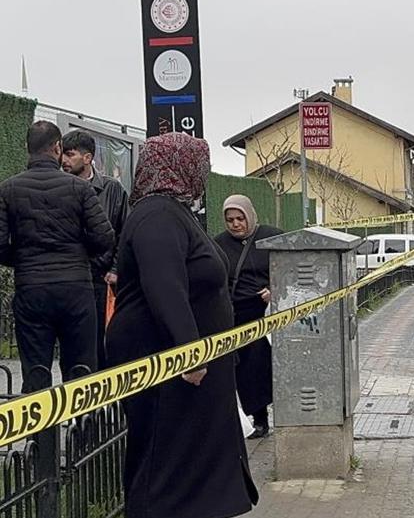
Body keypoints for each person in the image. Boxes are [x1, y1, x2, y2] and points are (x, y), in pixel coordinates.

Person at [104, 133, 257, 518]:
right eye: (200, 167)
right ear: (180, 167)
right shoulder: (157, 215)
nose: (203, 175)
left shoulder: (174, 212)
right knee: (166, 456)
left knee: (189, 454)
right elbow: (164, 284)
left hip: (184, 364)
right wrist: (189, 350)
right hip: (167, 361)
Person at [0, 121, 114, 390]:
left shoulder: (8, 189)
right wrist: (80, 256)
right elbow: (105, 237)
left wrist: (24, 259)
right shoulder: (80, 188)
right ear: (57, 148)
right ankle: (83, 416)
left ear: (27, 148)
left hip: (31, 289)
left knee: (36, 373)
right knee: (81, 372)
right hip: (76, 289)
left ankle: (40, 417)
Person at [215, 195, 283, 440]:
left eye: (240, 218)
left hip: (264, 313)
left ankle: (267, 416)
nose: (235, 224)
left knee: (261, 366)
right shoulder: (219, 244)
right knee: (241, 369)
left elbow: (289, 268)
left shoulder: (271, 237)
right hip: (234, 314)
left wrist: (275, 289)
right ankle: (253, 418)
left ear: (250, 216)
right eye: (230, 220)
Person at [61, 130, 129, 370]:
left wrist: (115, 268)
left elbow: (124, 232)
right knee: (70, 344)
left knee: (99, 343)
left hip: (100, 279)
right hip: (68, 276)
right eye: (62, 154)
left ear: (88, 157)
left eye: (70, 155)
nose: (64, 160)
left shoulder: (113, 189)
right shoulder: (58, 188)